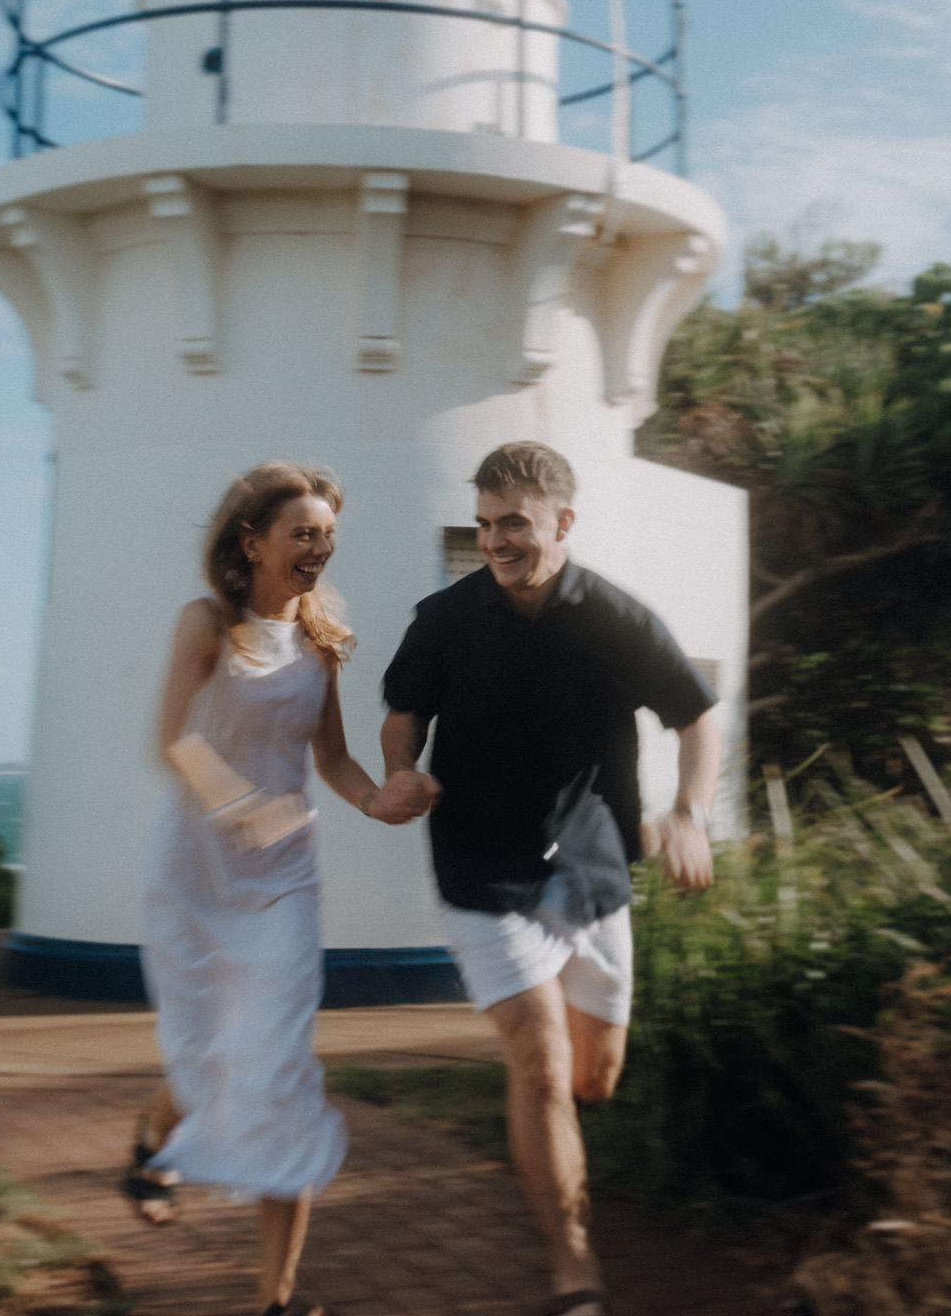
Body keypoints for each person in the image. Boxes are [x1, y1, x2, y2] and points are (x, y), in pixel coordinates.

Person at [380, 441, 720, 1316]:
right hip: (480, 865)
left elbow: (696, 717)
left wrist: (688, 815)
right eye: (485, 524)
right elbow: (404, 711)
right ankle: (573, 1268)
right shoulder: (447, 619)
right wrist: (401, 770)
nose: (495, 541)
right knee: (539, 1060)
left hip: (592, 865)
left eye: (515, 524)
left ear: (563, 523)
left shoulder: (615, 618)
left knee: (591, 1077)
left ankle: (541, 1137)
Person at [127, 461, 438, 1316]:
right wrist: (243, 808)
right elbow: (170, 743)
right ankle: (154, 1141)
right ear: (251, 541)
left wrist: (381, 799)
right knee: (218, 1052)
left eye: (327, 534)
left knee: (280, 1068)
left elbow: (330, 759)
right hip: (197, 868)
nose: (319, 547)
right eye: (303, 532)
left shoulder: (320, 634)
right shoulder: (206, 624)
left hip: (286, 880)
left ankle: (277, 1301)